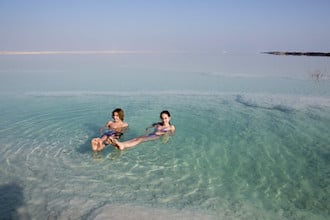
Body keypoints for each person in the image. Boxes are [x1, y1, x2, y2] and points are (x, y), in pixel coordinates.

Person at [111, 110, 175, 150]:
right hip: (151, 135)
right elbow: (151, 125)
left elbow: (172, 134)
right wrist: (148, 128)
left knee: (140, 140)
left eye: (165, 118)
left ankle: (123, 146)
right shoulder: (159, 124)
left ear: (169, 118)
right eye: (162, 118)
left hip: (156, 137)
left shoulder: (171, 127)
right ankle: (122, 144)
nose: (164, 120)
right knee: (137, 138)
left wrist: (162, 133)